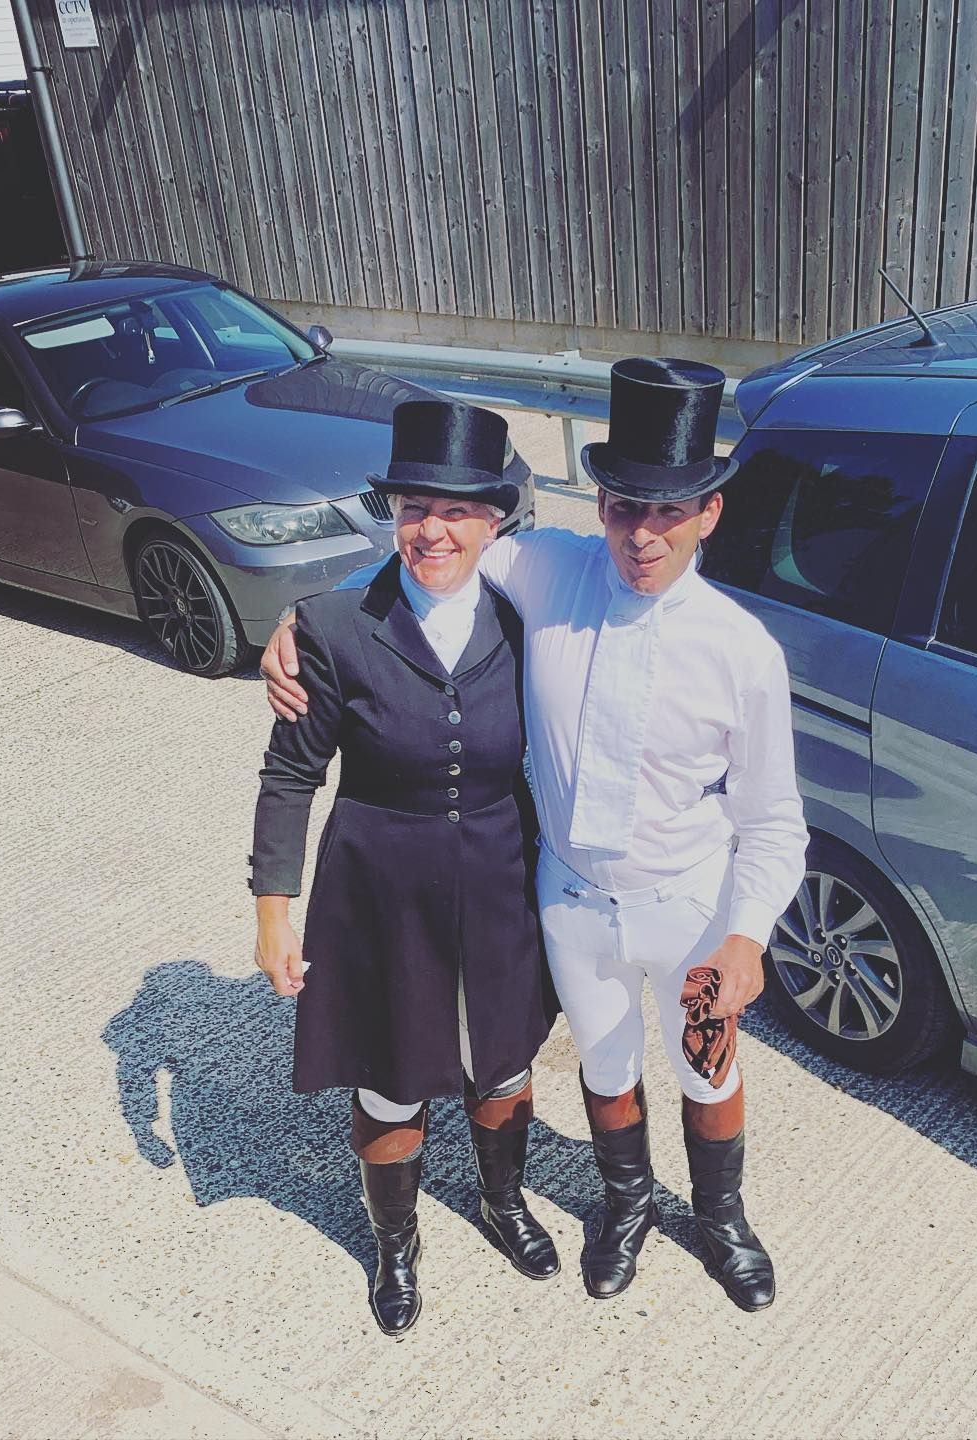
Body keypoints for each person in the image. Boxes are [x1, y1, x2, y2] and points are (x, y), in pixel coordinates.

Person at [263, 359, 809, 1312]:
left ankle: (721, 1220)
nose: (644, 534)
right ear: (597, 503)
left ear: (709, 514)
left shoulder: (743, 652)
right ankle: (626, 1206)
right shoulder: (550, 570)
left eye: (669, 512)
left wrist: (746, 934)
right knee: (605, 1063)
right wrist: (301, 619)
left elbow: (773, 817)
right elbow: (432, 555)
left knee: (706, 1063)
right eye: (625, 507)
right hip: (568, 898)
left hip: (686, 899)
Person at [250, 399, 558, 1338]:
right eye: (416, 505)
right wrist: (274, 911)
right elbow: (291, 773)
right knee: (391, 1077)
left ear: (496, 519)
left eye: (459, 509)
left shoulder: (528, 617)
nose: (435, 528)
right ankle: (395, 1241)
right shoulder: (336, 629)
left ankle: (503, 1203)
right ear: (392, 511)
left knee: (501, 1066)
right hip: (380, 889)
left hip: (504, 880)